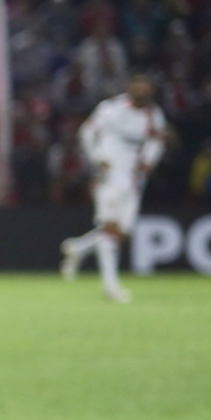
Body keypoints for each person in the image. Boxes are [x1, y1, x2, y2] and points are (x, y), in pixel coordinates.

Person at [59, 73, 167, 303]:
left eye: (145, 86)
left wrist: (149, 161)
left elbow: (156, 141)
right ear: (130, 87)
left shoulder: (153, 115)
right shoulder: (111, 110)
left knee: (122, 234)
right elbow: (87, 133)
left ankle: (79, 248)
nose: (141, 90)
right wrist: (97, 158)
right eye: (137, 85)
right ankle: (111, 287)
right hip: (109, 176)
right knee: (110, 229)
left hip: (134, 180)